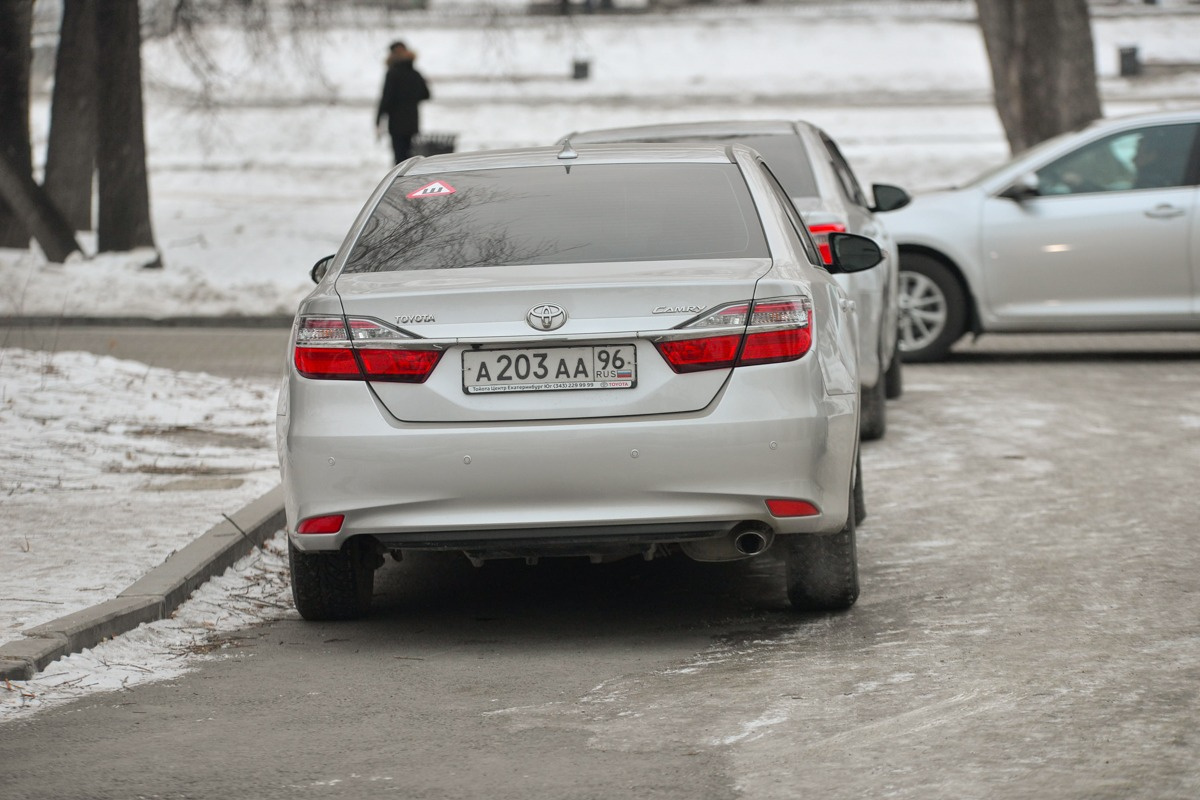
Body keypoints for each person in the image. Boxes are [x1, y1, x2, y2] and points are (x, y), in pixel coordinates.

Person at [376, 41, 431, 165]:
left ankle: (401, 182)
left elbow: (386, 99)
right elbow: (426, 94)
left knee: (399, 159)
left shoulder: (392, 74)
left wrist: (378, 120)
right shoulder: (415, 73)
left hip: (396, 124)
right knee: (412, 158)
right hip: (412, 122)